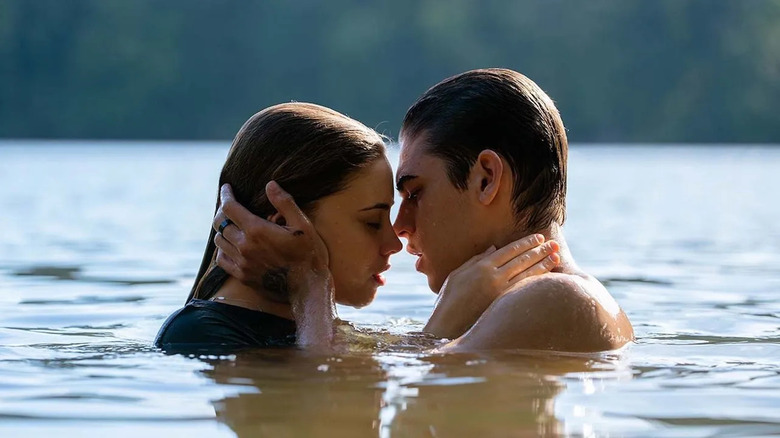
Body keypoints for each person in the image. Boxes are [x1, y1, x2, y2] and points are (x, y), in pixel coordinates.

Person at [212, 68, 634, 353]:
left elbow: (352, 410)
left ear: (485, 178)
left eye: (414, 193)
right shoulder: (525, 302)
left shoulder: (552, 299)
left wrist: (309, 284)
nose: (401, 227)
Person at [156, 101, 558, 353]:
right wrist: (309, 280)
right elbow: (329, 405)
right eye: (370, 222)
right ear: (283, 224)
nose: (394, 242)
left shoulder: (314, 330)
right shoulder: (199, 335)